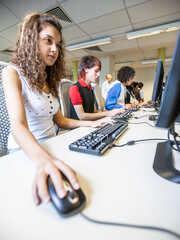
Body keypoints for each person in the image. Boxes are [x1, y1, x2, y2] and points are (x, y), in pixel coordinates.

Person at [2, 13, 116, 206]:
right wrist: (41, 160)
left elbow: (61, 121)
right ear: (30, 40)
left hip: (51, 145)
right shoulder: (11, 73)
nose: (54, 49)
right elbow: (18, 126)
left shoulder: (49, 80)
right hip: (26, 150)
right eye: (48, 41)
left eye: (58, 44)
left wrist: (93, 124)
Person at [69, 55, 125, 120]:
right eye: (96, 71)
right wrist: (107, 113)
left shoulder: (90, 88)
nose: (99, 74)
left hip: (90, 123)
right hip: (80, 127)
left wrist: (110, 113)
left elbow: (94, 111)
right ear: (86, 69)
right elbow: (82, 117)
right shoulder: (75, 88)